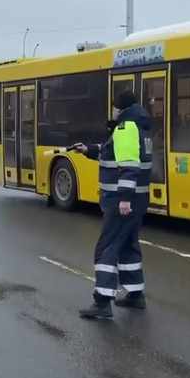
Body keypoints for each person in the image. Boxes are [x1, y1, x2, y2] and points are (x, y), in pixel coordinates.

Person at [72, 89, 152, 320]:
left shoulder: (126, 128)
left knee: (106, 248)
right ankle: (136, 295)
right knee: (128, 245)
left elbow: (128, 165)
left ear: (121, 108)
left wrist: (125, 198)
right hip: (137, 198)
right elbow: (113, 153)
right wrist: (88, 150)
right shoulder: (139, 127)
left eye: (115, 107)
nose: (113, 111)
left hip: (121, 200)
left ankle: (102, 302)